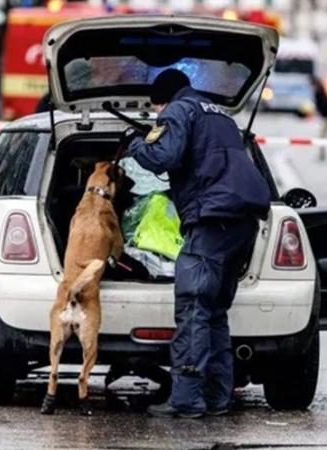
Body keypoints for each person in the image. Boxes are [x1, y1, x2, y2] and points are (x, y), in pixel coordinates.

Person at [122, 69, 271, 418]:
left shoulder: (177, 111)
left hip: (211, 220)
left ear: (163, 99)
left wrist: (135, 142)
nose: (158, 114)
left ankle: (187, 400)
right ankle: (217, 399)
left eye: (156, 108)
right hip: (242, 223)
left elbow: (163, 158)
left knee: (192, 308)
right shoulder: (220, 114)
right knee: (214, 313)